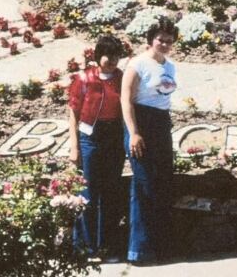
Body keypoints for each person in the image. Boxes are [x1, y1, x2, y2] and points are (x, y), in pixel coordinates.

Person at [120, 17, 179, 265]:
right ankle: (138, 250)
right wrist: (133, 132)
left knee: (162, 183)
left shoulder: (170, 66)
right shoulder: (138, 64)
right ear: (150, 40)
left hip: (161, 124)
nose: (164, 44)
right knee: (143, 186)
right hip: (140, 122)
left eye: (168, 40)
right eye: (160, 40)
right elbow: (126, 100)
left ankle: (160, 246)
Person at [68, 34, 128, 263]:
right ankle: (83, 248)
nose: (112, 60)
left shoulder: (122, 78)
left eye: (116, 56)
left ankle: (106, 247)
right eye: (107, 55)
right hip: (90, 138)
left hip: (113, 137)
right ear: (97, 56)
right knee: (89, 191)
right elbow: (73, 113)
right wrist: (74, 147)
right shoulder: (84, 79)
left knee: (110, 193)